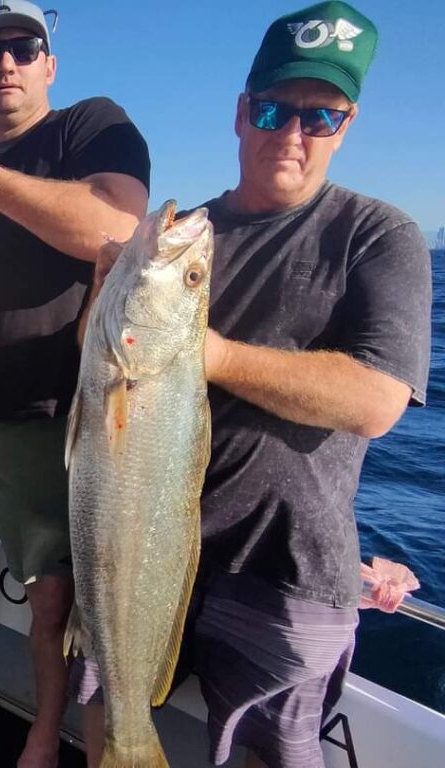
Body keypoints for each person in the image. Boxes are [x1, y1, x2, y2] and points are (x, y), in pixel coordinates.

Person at [75, 3, 432, 767]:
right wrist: (107, 302)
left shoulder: (380, 236)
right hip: (135, 541)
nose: (292, 133)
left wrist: (206, 354)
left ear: (348, 124)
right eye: (273, 108)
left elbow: (376, 402)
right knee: (112, 717)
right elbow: (100, 373)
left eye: (321, 117)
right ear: (241, 114)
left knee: (275, 754)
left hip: (287, 567)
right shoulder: (186, 235)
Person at [0, 2, 151, 766]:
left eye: (24, 47)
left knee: (49, 591)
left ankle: (45, 733)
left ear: (49, 63)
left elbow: (115, 226)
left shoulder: (90, 127)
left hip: (46, 414)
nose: (7, 62)